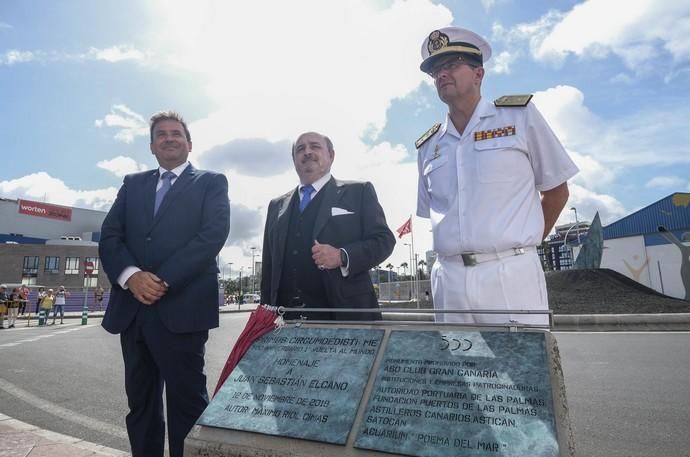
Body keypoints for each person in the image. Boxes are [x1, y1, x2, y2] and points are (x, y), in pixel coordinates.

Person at [415, 27, 578, 326]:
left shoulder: (518, 117)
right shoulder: (429, 146)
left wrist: (522, 247)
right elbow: (432, 212)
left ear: (479, 74)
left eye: (451, 65)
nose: (442, 75)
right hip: (449, 279)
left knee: (522, 369)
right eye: (436, 70)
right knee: (458, 370)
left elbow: (556, 191)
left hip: (509, 274)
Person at [99, 110, 230, 457]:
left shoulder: (212, 182)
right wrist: (131, 277)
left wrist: (161, 280)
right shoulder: (132, 183)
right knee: (140, 403)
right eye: (161, 134)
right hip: (133, 311)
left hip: (182, 310)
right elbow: (111, 236)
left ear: (189, 143)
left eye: (176, 133)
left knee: (187, 403)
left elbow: (212, 236)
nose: (169, 138)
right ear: (152, 145)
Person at [261, 131, 395, 320]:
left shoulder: (359, 191)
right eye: (300, 149)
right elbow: (268, 268)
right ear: (294, 159)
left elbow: (384, 240)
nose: (307, 151)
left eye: (315, 146)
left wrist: (342, 256)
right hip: (285, 322)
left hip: (344, 317)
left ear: (331, 155)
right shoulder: (276, 206)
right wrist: (265, 314)